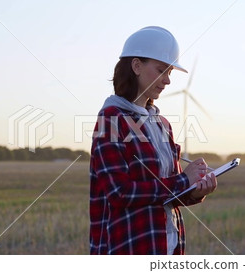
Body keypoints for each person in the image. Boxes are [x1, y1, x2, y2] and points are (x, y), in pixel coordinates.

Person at [89, 26, 218, 255]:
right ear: (136, 66)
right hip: (129, 249)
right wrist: (182, 181)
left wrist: (195, 191)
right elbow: (120, 193)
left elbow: (168, 195)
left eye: (170, 72)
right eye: (161, 70)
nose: (168, 80)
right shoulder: (111, 119)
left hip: (168, 248)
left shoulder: (162, 125)